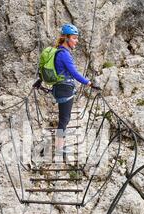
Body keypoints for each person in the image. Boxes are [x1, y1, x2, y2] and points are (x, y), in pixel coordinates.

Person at [52, 23, 92, 155]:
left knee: (64, 118)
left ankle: (59, 147)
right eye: (74, 38)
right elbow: (74, 73)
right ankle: (59, 149)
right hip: (65, 89)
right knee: (64, 119)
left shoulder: (59, 51)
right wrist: (88, 83)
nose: (77, 41)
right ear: (67, 38)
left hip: (60, 88)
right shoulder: (64, 54)